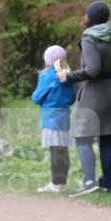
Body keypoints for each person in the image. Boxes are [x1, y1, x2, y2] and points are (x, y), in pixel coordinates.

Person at [57, 0, 111, 197]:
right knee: (107, 141)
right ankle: (107, 185)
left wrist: (68, 76)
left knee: (82, 139)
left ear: (90, 18)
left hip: (93, 96)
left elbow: (93, 69)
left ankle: (89, 182)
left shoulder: (89, 39)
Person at [31, 45, 76, 192]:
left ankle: (56, 184)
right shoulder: (67, 76)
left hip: (51, 118)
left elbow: (37, 98)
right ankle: (61, 182)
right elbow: (72, 98)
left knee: (55, 151)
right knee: (62, 149)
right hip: (64, 116)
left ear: (47, 60)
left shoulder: (46, 76)